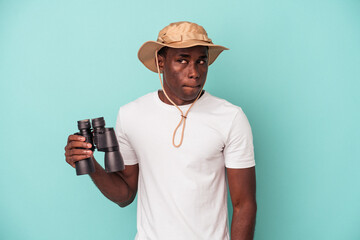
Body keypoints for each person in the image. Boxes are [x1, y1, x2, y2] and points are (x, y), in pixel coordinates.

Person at [64, 21, 257, 240]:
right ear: (161, 62)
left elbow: (244, 204)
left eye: (201, 61)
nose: (194, 72)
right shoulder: (131, 115)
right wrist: (89, 162)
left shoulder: (230, 117)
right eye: (182, 60)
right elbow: (125, 194)